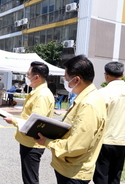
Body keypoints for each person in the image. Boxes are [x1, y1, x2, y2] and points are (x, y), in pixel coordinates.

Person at [35, 55, 106, 184]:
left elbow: (76, 146)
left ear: (76, 80)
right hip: (70, 168)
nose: (65, 82)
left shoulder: (88, 104)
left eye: (66, 79)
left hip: (74, 172)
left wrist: (47, 142)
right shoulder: (87, 98)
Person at [3, 61, 55, 184]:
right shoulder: (37, 91)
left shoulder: (42, 95)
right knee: (28, 176)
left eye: (28, 75)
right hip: (29, 140)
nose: (27, 77)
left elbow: (36, 123)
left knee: (30, 179)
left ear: (36, 77)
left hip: (33, 143)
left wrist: (13, 121)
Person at [93, 62, 125, 184]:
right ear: (123, 74)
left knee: (101, 174)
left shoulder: (103, 93)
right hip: (123, 140)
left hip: (105, 139)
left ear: (106, 75)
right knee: (116, 174)